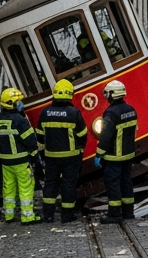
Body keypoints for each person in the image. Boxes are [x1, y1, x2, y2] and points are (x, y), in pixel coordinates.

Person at [39, 79, 89, 223]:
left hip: (51, 156)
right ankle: (67, 215)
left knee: (50, 184)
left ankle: (48, 215)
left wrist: (43, 153)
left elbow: (40, 136)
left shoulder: (45, 112)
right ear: (69, 94)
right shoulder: (73, 112)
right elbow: (82, 134)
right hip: (71, 156)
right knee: (69, 185)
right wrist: (80, 149)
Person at [0, 88, 41, 223]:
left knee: (8, 188)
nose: (21, 103)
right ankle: (27, 216)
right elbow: (30, 140)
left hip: (5, 161)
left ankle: (9, 215)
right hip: (21, 160)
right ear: (13, 103)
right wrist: (34, 155)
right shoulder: (20, 120)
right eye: (19, 101)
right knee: (25, 187)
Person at [95, 80, 137, 224]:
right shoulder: (131, 109)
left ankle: (114, 214)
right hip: (128, 155)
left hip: (114, 157)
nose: (106, 96)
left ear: (113, 94)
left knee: (112, 184)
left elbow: (106, 136)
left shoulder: (111, 113)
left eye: (107, 93)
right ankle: (128, 212)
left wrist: (99, 154)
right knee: (126, 182)